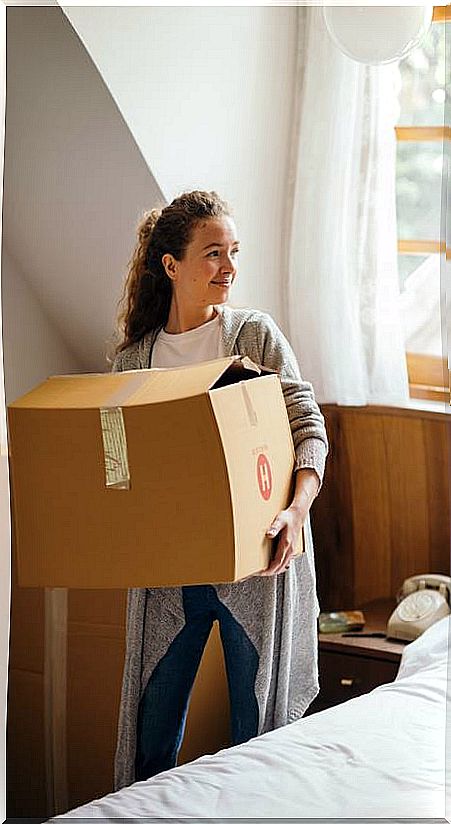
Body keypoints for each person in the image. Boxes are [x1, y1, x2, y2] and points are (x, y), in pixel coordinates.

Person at [109, 190, 328, 790]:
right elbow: (117, 469)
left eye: (234, 252)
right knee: (150, 741)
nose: (229, 267)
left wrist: (296, 511)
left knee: (253, 738)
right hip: (169, 569)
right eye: (213, 254)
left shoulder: (253, 336)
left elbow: (309, 430)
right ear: (171, 264)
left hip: (255, 565)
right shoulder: (134, 361)